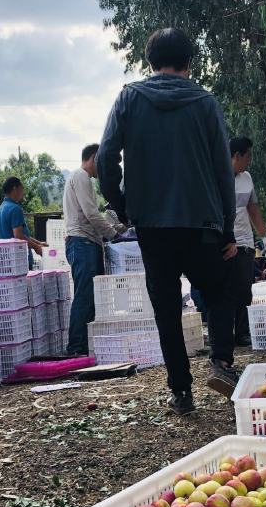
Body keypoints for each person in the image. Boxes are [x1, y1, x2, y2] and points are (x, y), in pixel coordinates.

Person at [97, 27, 238, 415]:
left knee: (166, 307)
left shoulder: (129, 98)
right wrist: (227, 227)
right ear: (189, 64)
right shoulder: (205, 103)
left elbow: (107, 157)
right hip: (202, 222)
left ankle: (181, 391)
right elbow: (223, 172)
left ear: (150, 62)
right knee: (222, 288)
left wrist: (123, 205)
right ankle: (222, 362)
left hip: (152, 225)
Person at [63, 144, 119, 357]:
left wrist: (116, 228)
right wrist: (114, 234)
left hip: (86, 243)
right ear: (95, 158)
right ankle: (76, 349)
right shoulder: (81, 176)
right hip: (82, 243)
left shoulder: (80, 178)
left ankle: (85, 347)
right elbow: (91, 214)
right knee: (85, 296)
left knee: (91, 297)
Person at [230, 136, 266, 345]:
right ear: (236, 156)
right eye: (247, 156)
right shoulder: (214, 175)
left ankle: (241, 333)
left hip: (244, 241)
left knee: (243, 288)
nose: (249, 161)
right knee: (222, 290)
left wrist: (264, 237)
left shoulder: (246, 178)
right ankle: (221, 336)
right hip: (220, 242)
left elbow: (253, 208)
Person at [0, 177, 44, 267]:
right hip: (19, 259)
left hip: (7, 258)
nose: (23, 192)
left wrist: (39, 243)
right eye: (22, 188)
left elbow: (21, 234)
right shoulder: (15, 209)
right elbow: (18, 236)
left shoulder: (0, 208)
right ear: (15, 188)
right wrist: (36, 247)